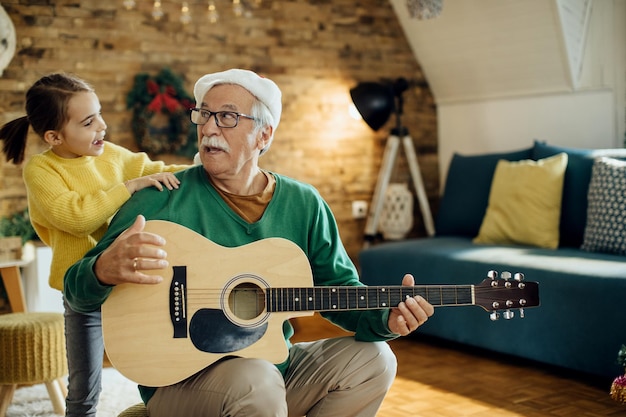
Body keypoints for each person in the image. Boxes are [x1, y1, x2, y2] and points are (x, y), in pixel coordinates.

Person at [63, 68, 434, 417]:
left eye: (226, 117)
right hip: (180, 385)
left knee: (376, 360)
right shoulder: (160, 197)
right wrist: (101, 270)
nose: (209, 127)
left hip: (273, 371)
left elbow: (339, 291)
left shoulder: (304, 203)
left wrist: (387, 319)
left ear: (264, 135)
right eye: (203, 115)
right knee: (256, 381)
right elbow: (76, 289)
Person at [0, 72, 190, 417]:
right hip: (84, 289)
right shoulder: (41, 170)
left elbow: (157, 168)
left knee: (161, 361)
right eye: (88, 122)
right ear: (54, 136)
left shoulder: (111, 155)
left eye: (99, 114)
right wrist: (129, 187)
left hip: (131, 284)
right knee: (85, 385)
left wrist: (209, 170)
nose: (102, 126)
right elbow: (76, 217)